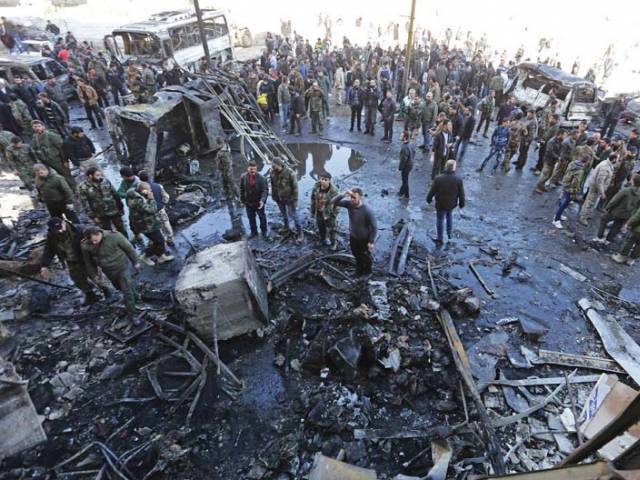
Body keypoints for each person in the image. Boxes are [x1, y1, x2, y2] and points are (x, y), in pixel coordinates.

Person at [81, 226, 142, 324]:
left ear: (98, 234)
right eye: (91, 242)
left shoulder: (114, 236)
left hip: (122, 267)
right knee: (120, 287)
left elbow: (129, 249)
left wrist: (136, 262)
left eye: (95, 240)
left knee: (127, 291)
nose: (94, 243)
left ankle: (133, 314)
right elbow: (88, 262)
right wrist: (94, 275)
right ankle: (136, 298)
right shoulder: (85, 245)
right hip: (108, 270)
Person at [40, 218, 107, 305]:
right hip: (71, 260)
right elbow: (49, 249)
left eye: (61, 227)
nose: (60, 231)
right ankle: (90, 295)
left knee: (95, 276)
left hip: (85, 259)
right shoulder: (52, 236)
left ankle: (106, 291)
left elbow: (96, 239)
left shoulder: (79, 230)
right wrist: (44, 265)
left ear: (64, 223)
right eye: (57, 230)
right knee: (78, 279)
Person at [332, 188, 377, 276]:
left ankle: (368, 272)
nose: (352, 199)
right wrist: (344, 194)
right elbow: (333, 201)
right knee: (356, 254)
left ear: (360, 198)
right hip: (353, 236)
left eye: (354, 197)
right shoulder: (349, 204)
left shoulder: (367, 210)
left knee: (366, 256)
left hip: (364, 238)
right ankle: (359, 271)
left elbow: (374, 227)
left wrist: (371, 241)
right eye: (351, 197)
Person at [126, 182, 174, 265]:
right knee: (160, 241)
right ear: (144, 191)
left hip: (147, 222)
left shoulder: (133, 194)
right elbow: (151, 210)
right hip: (146, 225)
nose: (151, 191)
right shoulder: (138, 201)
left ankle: (160, 256)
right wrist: (151, 199)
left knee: (157, 241)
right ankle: (146, 256)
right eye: (149, 190)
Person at [78, 166, 128, 238]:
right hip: (100, 214)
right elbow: (85, 204)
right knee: (107, 232)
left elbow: (115, 194)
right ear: (90, 176)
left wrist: (121, 207)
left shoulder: (105, 181)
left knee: (121, 228)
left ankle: (126, 242)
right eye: (97, 175)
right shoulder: (83, 187)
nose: (100, 177)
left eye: (100, 175)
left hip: (113, 210)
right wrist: (93, 216)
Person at [427, 159, 465, 245]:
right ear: (454, 168)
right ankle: (449, 234)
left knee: (440, 220)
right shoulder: (458, 180)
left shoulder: (438, 178)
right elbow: (461, 194)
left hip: (440, 203)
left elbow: (432, 191)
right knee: (449, 216)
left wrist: (428, 199)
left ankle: (440, 238)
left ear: (446, 167)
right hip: (451, 204)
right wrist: (461, 204)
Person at [31, 119, 76, 190]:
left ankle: (74, 190)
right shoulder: (35, 138)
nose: (37, 128)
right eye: (35, 127)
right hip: (46, 162)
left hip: (58, 160)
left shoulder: (51, 135)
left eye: (39, 126)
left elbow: (62, 148)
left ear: (43, 126)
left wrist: (65, 160)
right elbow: (35, 149)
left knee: (67, 176)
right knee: (54, 177)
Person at [595, 175, 640, 244]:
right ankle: (608, 240)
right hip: (626, 214)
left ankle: (599, 237)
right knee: (617, 227)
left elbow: (614, 200)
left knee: (604, 219)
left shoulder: (625, 190)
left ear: (633, 181)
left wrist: (608, 207)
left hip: (616, 212)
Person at [579, 153, 618, 226]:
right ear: (614, 159)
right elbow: (599, 181)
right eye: (617, 159)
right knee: (589, 202)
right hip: (596, 188)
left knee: (591, 201)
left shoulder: (608, 164)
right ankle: (583, 218)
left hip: (597, 188)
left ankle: (587, 214)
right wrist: (602, 192)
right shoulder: (605, 167)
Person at [271, 156, 303, 242]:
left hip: (289, 199)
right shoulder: (272, 172)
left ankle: (300, 233)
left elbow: (295, 188)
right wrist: (273, 196)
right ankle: (286, 227)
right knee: (284, 214)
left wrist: (295, 200)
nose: (272, 168)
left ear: (279, 164)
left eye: (274, 166)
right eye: (272, 166)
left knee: (294, 215)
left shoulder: (290, 173)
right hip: (279, 198)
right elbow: (273, 185)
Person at [552, 154, 587, 229]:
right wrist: (575, 190)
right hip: (570, 189)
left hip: (565, 184)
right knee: (564, 203)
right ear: (586, 162)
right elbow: (576, 182)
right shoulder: (580, 170)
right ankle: (556, 220)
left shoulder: (572, 163)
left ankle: (558, 215)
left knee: (563, 201)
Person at [239, 161, 269, 238]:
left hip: (259, 203)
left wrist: (262, 201)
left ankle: (264, 231)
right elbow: (241, 189)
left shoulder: (262, 178)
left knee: (262, 217)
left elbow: (265, 191)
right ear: (247, 168)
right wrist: (242, 201)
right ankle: (254, 232)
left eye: (254, 169)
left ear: (256, 169)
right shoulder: (243, 177)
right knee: (251, 218)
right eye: (251, 169)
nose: (252, 171)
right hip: (248, 203)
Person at [310, 173, 339, 250]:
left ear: (329, 181)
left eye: (325, 180)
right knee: (320, 226)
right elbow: (312, 199)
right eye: (322, 179)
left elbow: (338, 204)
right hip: (319, 212)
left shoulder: (334, 191)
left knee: (332, 229)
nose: (323, 181)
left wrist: (334, 214)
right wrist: (312, 211)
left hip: (329, 213)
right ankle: (323, 239)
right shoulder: (316, 187)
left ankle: (334, 243)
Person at [398, 130, 414, 198]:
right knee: (405, 179)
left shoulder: (404, 147)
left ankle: (406, 194)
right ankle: (401, 191)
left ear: (405, 137)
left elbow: (403, 160)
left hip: (406, 166)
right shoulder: (410, 144)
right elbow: (414, 152)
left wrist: (400, 168)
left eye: (401, 136)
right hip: (410, 164)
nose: (400, 137)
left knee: (405, 180)